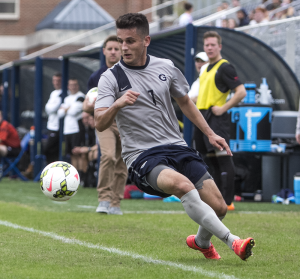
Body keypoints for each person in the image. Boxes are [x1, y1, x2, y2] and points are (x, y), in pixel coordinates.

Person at [94, 13, 255, 261]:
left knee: (220, 207)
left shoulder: (166, 67)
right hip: (142, 156)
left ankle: (201, 242)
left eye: (130, 41)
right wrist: (117, 105)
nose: (124, 47)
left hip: (176, 147)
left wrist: (210, 133)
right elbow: (100, 122)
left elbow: (186, 102)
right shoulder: (111, 78)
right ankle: (233, 242)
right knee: (182, 186)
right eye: (120, 41)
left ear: (146, 40)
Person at [193, 31, 246, 211]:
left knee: (223, 159)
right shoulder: (205, 68)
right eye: (206, 45)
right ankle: (215, 200)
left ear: (219, 47)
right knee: (208, 162)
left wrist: (223, 108)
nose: (209, 48)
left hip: (216, 118)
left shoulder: (225, 67)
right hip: (201, 118)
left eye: (212, 45)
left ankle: (228, 201)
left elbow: (241, 92)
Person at [83, 35, 127, 215]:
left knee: (123, 162)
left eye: (116, 49)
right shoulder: (96, 77)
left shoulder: (129, 72)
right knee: (108, 156)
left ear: (121, 51)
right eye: (110, 49)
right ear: (104, 51)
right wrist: (89, 108)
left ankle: (115, 203)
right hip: (105, 122)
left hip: (126, 123)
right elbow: (86, 105)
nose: (113, 52)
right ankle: (103, 200)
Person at [58, 78, 85, 172]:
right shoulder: (67, 98)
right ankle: (75, 174)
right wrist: (68, 108)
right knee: (71, 154)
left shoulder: (81, 96)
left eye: (75, 85)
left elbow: (73, 111)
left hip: (76, 129)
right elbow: (60, 113)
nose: (73, 87)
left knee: (78, 152)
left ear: (78, 86)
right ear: (68, 86)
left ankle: (82, 175)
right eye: (71, 85)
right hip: (67, 130)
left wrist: (65, 109)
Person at [72, 113, 98, 187]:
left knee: (91, 154)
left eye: (90, 119)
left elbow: (100, 145)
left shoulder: (100, 129)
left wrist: (87, 149)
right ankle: (83, 178)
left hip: (102, 150)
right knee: (83, 154)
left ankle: (92, 178)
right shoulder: (89, 130)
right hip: (93, 149)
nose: (88, 122)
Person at [44, 73, 63, 165]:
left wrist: (52, 107)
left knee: (49, 149)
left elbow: (52, 108)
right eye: (54, 80)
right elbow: (48, 109)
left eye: (58, 81)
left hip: (58, 127)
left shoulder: (63, 93)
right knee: (49, 150)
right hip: (50, 126)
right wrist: (51, 108)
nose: (56, 83)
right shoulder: (53, 93)